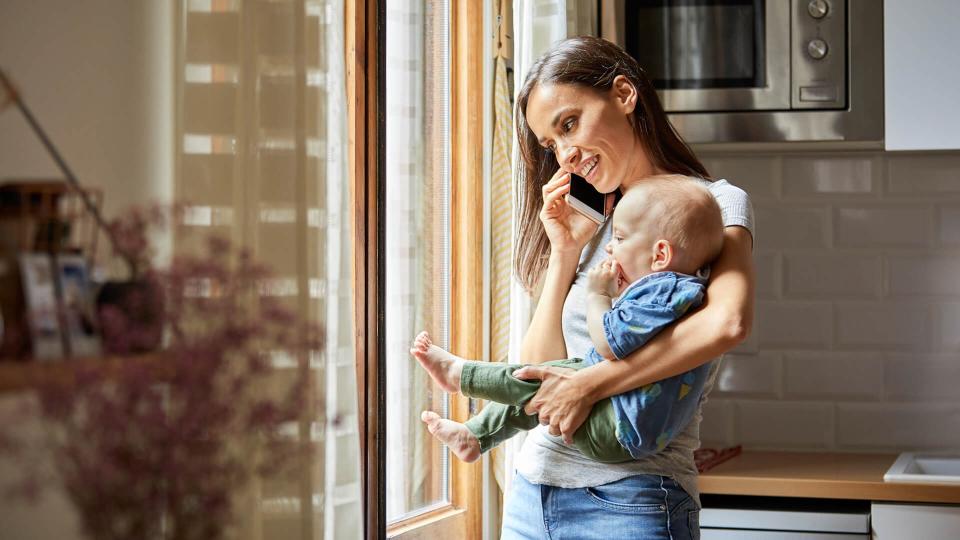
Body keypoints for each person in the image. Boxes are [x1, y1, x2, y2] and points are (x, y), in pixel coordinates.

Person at [492, 36, 755, 539]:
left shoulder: (712, 205)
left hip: (632, 498)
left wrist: (591, 384)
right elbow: (535, 375)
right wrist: (565, 253)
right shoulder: (589, 221)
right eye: (551, 144)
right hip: (533, 492)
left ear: (624, 94)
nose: (565, 155)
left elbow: (728, 322)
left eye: (569, 124)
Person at [412, 176, 724, 466]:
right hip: (625, 431)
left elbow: (606, 344)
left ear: (659, 256)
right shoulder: (685, 291)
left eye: (619, 237)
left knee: (545, 377)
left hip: (616, 427)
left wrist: (598, 294)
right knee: (546, 380)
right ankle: (475, 436)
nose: (611, 247)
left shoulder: (659, 291)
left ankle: (461, 375)